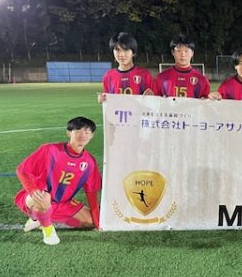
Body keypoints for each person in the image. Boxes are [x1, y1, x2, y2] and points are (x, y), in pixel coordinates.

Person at [15, 117, 101, 245]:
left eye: (87, 132)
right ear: (69, 133)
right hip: (37, 197)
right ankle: (47, 228)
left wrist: (97, 223)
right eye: (78, 130)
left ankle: (40, 217)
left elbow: (92, 193)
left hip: (63, 203)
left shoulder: (89, 162)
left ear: (92, 136)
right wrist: (32, 189)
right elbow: (22, 170)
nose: (83, 135)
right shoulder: (50, 150)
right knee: (45, 197)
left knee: (89, 221)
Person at [98, 32, 156, 103]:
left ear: (133, 52)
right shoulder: (108, 76)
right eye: (117, 50)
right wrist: (103, 99)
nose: (122, 54)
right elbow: (108, 101)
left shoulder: (144, 74)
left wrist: (153, 97)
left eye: (126, 50)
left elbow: (154, 101)